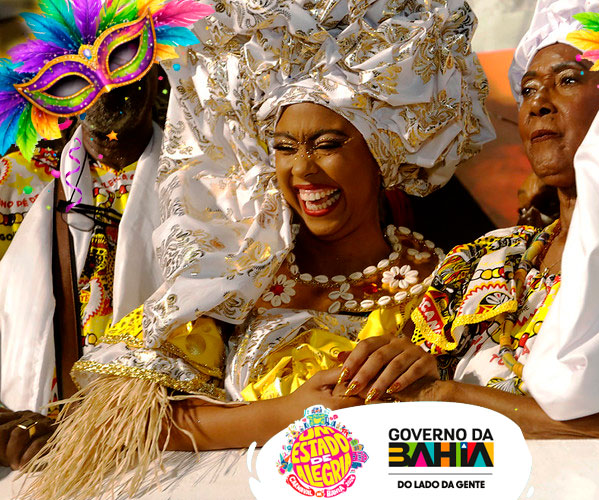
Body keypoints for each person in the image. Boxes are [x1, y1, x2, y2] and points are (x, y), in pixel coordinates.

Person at [18, 1, 495, 498]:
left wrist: (428, 397)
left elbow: (489, 445)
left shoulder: (450, 285)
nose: (302, 169)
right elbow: (123, 419)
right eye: (285, 148)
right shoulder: (233, 277)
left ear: (383, 152)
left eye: (327, 144)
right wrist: (283, 416)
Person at [340, 0, 599, 474]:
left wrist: (455, 400)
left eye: (567, 80)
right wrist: (398, 374)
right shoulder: (480, 262)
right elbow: (412, 453)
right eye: (527, 89)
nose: (537, 103)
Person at [0, 0, 211, 471]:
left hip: (170, 442)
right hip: (40, 452)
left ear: (155, 69)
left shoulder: (207, 180)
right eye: (75, 73)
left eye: (121, 58)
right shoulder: (16, 184)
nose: (104, 84)